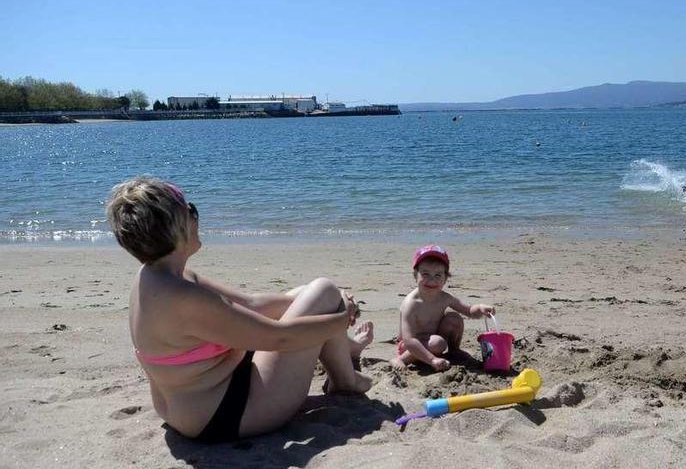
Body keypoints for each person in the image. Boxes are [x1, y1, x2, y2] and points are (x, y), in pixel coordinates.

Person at [105, 177, 373, 443]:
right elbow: (280, 337)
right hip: (227, 414)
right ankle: (345, 381)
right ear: (176, 228)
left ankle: (344, 347)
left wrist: (316, 301)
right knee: (324, 290)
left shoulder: (155, 277)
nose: (196, 218)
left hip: (192, 405)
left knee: (313, 294)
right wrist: (340, 318)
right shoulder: (183, 298)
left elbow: (251, 304)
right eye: (191, 211)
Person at [390, 245, 494, 371]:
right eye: (425, 274)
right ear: (415, 275)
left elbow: (469, 311)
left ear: (445, 279)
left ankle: (454, 350)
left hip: (432, 339)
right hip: (410, 346)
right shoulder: (411, 304)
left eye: (438, 275)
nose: (432, 280)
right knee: (438, 343)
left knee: (454, 318)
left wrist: (481, 308)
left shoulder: (444, 297)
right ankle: (400, 359)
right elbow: (408, 340)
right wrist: (432, 360)